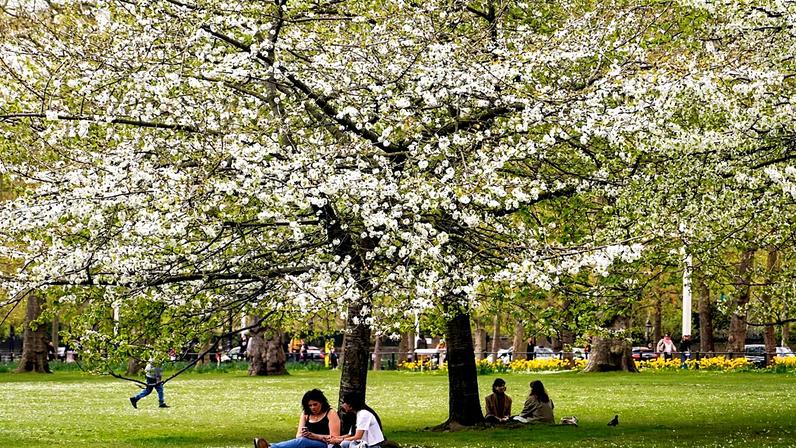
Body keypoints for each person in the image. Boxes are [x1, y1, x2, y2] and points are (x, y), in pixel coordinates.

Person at [253, 389, 341, 448]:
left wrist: (315, 436)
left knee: (302, 441)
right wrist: (305, 434)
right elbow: (298, 435)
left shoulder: (330, 413)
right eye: (310, 405)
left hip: (325, 444)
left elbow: (334, 438)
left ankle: (271, 447)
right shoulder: (306, 414)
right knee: (301, 440)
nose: (313, 408)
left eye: (315, 404)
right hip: (306, 441)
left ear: (321, 403)